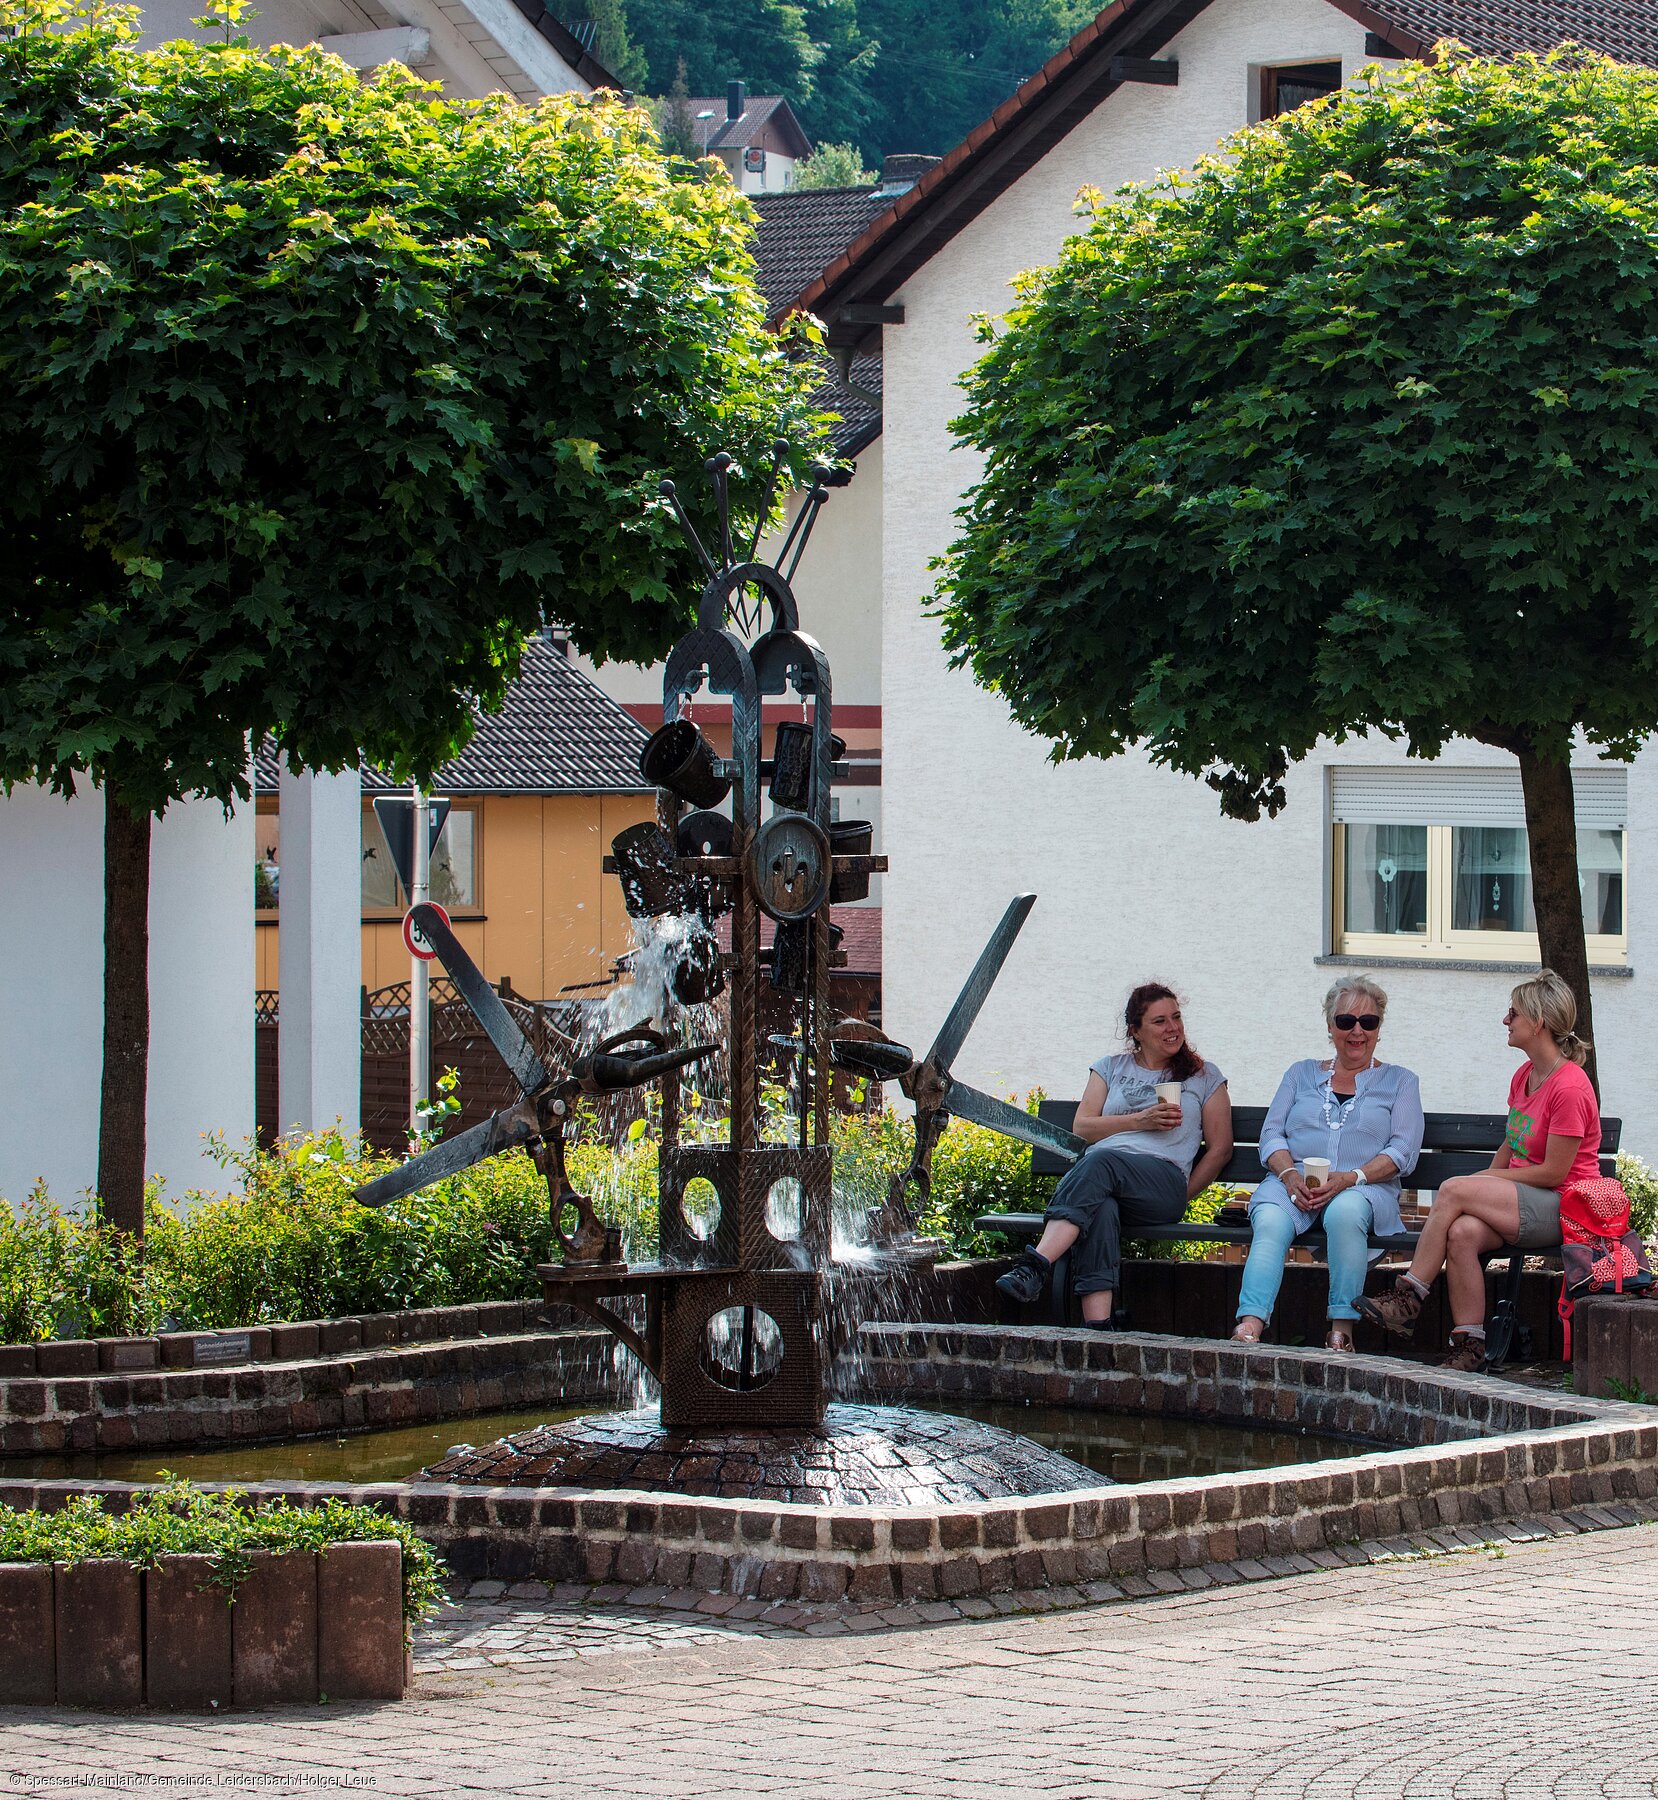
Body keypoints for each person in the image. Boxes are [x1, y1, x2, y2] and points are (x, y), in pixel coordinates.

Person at [1358, 969, 1599, 1371]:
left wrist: (1480, 1184)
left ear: (1538, 1022)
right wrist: (1484, 1185)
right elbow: (1512, 1144)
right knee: (1462, 1231)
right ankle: (1470, 1346)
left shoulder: (1570, 1087)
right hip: (1527, 1200)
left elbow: (1555, 1173)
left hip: (1563, 1207)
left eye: (1514, 1013)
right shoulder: (1525, 1075)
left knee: (1453, 1189)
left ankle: (1410, 1296)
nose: (1507, 1020)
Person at [995, 983, 1231, 1324]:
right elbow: (1083, 1127)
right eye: (1160, 1021)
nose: (1173, 1028)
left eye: (1176, 1018)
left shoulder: (1203, 1075)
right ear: (1136, 1031)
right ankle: (1099, 1329)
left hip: (1161, 1182)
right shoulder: (1110, 1067)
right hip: (1104, 1178)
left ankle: (1035, 1265)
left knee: (1100, 1161)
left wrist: (1183, 1193)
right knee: (1101, 1208)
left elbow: (1221, 1149)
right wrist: (1140, 1120)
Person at [1231, 977, 1423, 1351]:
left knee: (1344, 1213)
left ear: (1379, 1028)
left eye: (1368, 1022)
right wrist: (1288, 1175)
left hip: (1364, 1186)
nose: (1357, 1031)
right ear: (1330, 1025)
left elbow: (1404, 1151)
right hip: (1294, 1181)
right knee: (1270, 1219)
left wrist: (1352, 1177)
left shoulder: (1400, 1082)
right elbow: (1272, 1134)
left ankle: (1342, 1330)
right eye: (1346, 1021)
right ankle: (1250, 1324)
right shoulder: (1300, 1073)